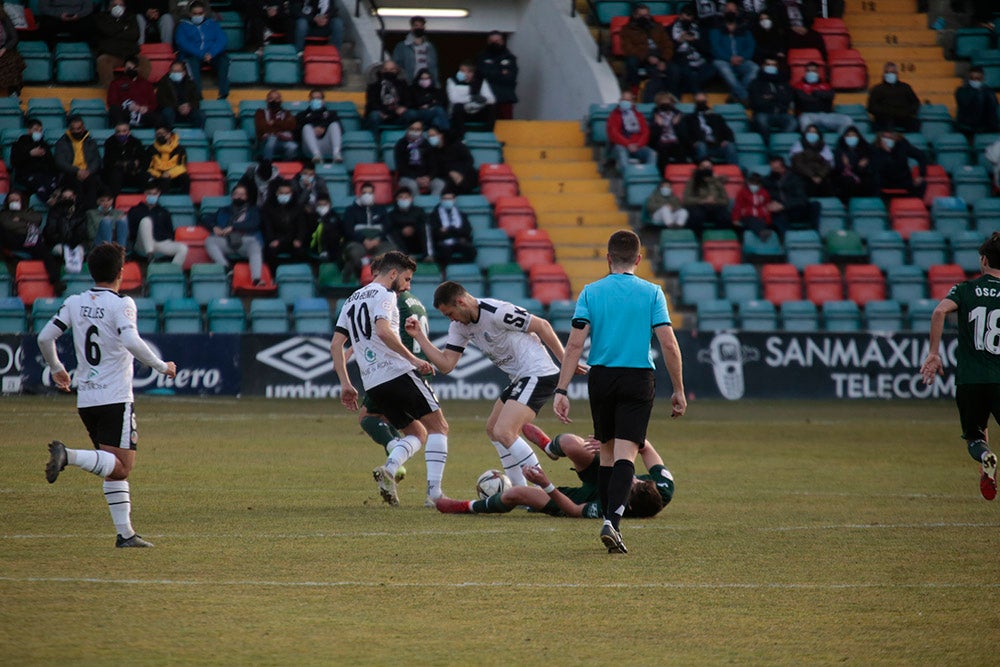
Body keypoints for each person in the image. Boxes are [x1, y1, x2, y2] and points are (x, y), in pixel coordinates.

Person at [552, 229, 686, 554]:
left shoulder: (591, 292)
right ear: (639, 259)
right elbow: (668, 342)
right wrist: (679, 389)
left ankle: (610, 517)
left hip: (602, 378)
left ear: (608, 257)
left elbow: (574, 344)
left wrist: (562, 388)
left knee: (608, 452)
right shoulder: (652, 292)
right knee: (626, 452)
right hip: (638, 378)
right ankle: (612, 521)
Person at [39, 242, 177, 548]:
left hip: (87, 399)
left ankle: (125, 534)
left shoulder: (74, 302)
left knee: (111, 467)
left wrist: (57, 368)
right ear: (121, 273)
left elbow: (45, 336)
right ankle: (68, 456)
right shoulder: (122, 304)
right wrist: (161, 366)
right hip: (115, 398)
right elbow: (131, 339)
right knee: (122, 465)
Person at [405, 281, 578, 487]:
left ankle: (545, 491)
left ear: (461, 302)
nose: (450, 319)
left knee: (504, 431)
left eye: (450, 313)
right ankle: (521, 490)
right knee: (493, 429)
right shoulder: (459, 327)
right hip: (520, 378)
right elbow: (446, 365)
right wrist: (420, 337)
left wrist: (566, 360)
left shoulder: (497, 312)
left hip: (538, 373)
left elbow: (542, 325)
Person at [330, 251, 445, 507]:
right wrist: (413, 360)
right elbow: (383, 331)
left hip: (373, 381)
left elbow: (336, 344)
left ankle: (390, 468)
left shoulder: (351, 299)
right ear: (393, 274)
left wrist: (346, 383)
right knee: (440, 427)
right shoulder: (385, 295)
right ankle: (434, 495)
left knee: (417, 433)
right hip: (397, 372)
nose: (407, 285)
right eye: (406, 279)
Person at [435, 428, 673, 520]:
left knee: (517, 493)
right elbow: (645, 446)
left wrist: (547, 485)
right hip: (603, 472)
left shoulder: (606, 508)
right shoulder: (663, 488)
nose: (630, 477)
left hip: (580, 498)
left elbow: (573, 510)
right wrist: (611, 443)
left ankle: (467, 506)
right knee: (571, 443)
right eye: (636, 477)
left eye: (629, 485)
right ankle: (550, 448)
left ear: (626, 505)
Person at [920, 232, 1000, 501]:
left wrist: (933, 353)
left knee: (975, 436)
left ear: (984, 260)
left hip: (969, 379)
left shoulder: (965, 289)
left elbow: (939, 311)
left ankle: (986, 456)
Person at [204, 184, 265, 285]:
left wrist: (234, 227)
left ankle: (256, 279)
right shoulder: (223, 210)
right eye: (236, 194)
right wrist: (214, 227)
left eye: (242, 194)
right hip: (226, 240)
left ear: (246, 197)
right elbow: (205, 219)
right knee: (209, 240)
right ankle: (227, 268)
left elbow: (254, 224)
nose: (239, 196)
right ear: (232, 196)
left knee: (255, 245)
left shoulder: (253, 210)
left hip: (245, 241)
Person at [175, 1, 230, 100]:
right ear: (190, 14)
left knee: (224, 60)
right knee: (192, 62)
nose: (197, 16)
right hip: (193, 55)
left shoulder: (212, 23)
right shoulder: (183, 26)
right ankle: (197, 95)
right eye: (194, 14)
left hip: (211, 54)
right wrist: (202, 54)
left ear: (204, 13)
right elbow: (182, 43)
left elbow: (222, 40)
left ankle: (223, 94)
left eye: (200, 13)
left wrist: (211, 53)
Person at [0, 191, 56, 287]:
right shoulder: (4, 214)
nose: (14, 202)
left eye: (16, 200)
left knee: (44, 251)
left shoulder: (29, 211)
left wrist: (20, 218)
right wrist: (26, 223)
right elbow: (8, 225)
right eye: (11, 200)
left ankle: (54, 280)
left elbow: (37, 219)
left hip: (28, 239)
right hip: (12, 239)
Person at [340, 182, 392, 281]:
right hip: (358, 243)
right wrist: (363, 240)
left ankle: (368, 263)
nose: (367, 195)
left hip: (378, 242)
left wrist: (378, 239)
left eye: (370, 193)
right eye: (364, 193)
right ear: (360, 194)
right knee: (354, 252)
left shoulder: (381, 210)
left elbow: (387, 227)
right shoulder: (351, 211)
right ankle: (358, 277)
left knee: (391, 250)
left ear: (373, 194)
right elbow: (348, 230)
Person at [127, 181, 187, 265]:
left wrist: (160, 237)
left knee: (183, 248)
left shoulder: (164, 212)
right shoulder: (135, 210)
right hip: (141, 245)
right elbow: (132, 232)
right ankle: (150, 257)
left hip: (159, 243)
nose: (152, 196)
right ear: (145, 193)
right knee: (146, 221)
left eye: (155, 194)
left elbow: (170, 233)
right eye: (149, 193)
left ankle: (172, 271)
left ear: (159, 194)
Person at [709, 10, 759, 105]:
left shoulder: (744, 32)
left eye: (732, 23)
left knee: (755, 68)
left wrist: (742, 57)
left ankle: (735, 95)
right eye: (728, 23)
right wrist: (730, 58)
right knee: (726, 71)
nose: (730, 26)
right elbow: (715, 49)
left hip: (741, 60)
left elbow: (751, 47)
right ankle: (744, 96)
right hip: (722, 60)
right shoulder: (716, 31)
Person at [53, 116, 103, 210]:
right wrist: (77, 171)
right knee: (76, 184)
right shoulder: (62, 142)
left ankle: (90, 212)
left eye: (78, 129)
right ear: (69, 129)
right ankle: (79, 212)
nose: (76, 131)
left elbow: (96, 161)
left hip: (88, 173)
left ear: (83, 128)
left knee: (93, 183)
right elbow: (59, 162)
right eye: (73, 129)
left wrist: (88, 171)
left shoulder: (91, 142)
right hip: (70, 174)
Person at [95, 0, 148, 87]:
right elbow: (106, 31)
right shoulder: (101, 18)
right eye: (115, 5)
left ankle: (138, 88)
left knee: (144, 61)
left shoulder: (131, 17)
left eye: (121, 5)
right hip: (111, 54)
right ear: (109, 7)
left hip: (131, 54)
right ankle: (111, 90)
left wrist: (130, 60)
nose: (118, 7)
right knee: (102, 61)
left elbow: (135, 34)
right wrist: (124, 29)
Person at [762, 154, 819, 234]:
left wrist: (784, 205)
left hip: (795, 209)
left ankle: (813, 233)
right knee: (774, 214)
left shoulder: (795, 178)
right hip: (780, 212)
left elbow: (802, 199)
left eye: (777, 168)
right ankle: (788, 237)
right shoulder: (767, 181)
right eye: (773, 167)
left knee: (815, 205)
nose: (775, 170)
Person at [620, 4, 673, 89]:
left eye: (646, 15)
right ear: (635, 16)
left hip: (658, 55)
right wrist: (647, 57)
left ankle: (673, 93)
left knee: (674, 68)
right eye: (641, 16)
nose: (645, 18)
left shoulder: (658, 27)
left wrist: (663, 59)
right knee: (631, 61)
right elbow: (628, 48)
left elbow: (667, 44)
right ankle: (635, 88)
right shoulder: (627, 29)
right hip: (641, 56)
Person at [669, 3, 717, 96]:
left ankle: (685, 89)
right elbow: (668, 49)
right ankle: (698, 95)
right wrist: (680, 40)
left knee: (713, 68)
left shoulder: (699, 28)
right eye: (686, 14)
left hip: (699, 58)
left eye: (690, 15)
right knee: (687, 73)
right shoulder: (670, 28)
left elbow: (707, 49)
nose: (688, 18)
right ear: (680, 14)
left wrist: (694, 41)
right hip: (681, 58)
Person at [793, 61, 853, 134]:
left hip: (826, 115)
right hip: (808, 115)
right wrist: (822, 98)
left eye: (814, 71)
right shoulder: (798, 86)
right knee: (804, 120)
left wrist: (815, 93)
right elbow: (804, 101)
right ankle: (809, 143)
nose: (811, 73)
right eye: (808, 71)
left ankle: (841, 142)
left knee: (847, 120)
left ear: (818, 73)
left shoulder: (826, 85)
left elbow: (831, 95)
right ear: (805, 73)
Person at [261, 179, 308, 271]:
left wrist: (299, 239)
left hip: (292, 239)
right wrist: (272, 240)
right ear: (276, 193)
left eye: (287, 193)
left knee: (301, 252)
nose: (284, 195)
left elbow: (302, 226)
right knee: (269, 252)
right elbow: (267, 227)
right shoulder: (268, 207)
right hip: (275, 239)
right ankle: (274, 276)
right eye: (281, 193)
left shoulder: (297, 207)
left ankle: (295, 274)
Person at [679, 93, 739, 164]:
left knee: (730, 146)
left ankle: (733, 171)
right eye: (699, 102)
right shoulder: (689, 118)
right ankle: (704, 170)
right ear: (695, 103)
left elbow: (728, 132)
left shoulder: (716, 117)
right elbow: (684, 134)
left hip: (716, 146)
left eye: (703, 101)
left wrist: (726, 140)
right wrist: (692, 143)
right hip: (699, 146)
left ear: (707, 102)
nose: (701, 104)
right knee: (701, 145)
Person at [747, 56, 797, 140]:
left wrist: (770, 97)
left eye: (773, 65)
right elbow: (757, 102)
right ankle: (768, 144)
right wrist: (777, 98)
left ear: (777, 67)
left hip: (782, 113)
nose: (771, 67)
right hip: (763, 113)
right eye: (768, 64)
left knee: (793, 122)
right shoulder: (755, 83)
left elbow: (788, 99)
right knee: (761, 121)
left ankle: (778, 142)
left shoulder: (783, 83)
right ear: (763, 66)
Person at [44, 188, 89, 280]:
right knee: (60, 251)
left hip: (76, 243)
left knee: (80, 251)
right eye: (65, 197)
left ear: (74, 197)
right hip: (58, 243)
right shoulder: (54, 211)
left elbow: (82, 231)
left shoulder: (80, 212)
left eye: (70, 197)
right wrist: (64, 241)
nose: (67, 199)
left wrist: (73, 241)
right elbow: (50, 232)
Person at [427, 190, 476, 273]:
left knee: (470, 249)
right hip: (442, 243)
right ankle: (445, 274)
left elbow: (467, 231)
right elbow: (436, 234)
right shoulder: (434, 215)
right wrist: (456, 232)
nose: (447, 201)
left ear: (454, 200)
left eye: (449, 199)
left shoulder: (461, 214)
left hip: (458, 242)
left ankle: (465, 273)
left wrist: (448, 230)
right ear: (441, 200)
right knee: (444, 251)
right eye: (445, 199)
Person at [10, 119, 59, 202]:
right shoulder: (19, 144)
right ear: (29, 130)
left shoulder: (44, 145)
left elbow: (52, 163)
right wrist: (30, 154)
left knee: (53, 181)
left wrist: (45, 155)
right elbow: (14, 161)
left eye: (40, 130)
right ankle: (49, 200)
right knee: (38, 181)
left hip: (44, 173)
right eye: (36, 130)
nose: (38, 132)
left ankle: (57, 199)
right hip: (26, 174)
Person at [446, 60, 497, 137]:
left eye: (469, 72)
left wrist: (484, 99)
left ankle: (489, 135)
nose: (465, 74)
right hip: (461, 113)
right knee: (457, 107)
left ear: (473, 73)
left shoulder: (481, 81)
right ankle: (462, 137)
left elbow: (492, 99)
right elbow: (453, 99)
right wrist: (471, 98)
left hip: (476, 112)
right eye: (462, 71)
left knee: (491, 108)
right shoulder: (452, 81)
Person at [606, 90, 656, 169]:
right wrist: (628, 144)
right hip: (621, 145)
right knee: (621, 151)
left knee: (652, 153)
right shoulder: (614, 115)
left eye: (628, 100)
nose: (625, 102)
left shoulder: (638, 115)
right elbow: (613, 133)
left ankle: (648, 175)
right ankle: (627, 176)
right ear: (620, 101)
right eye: (623, 100)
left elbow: (645, 132)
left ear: (632, 102)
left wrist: (638, 144)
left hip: (637, 145)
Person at [870, 130, 927, 199]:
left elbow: (921, 156)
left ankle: (912, 205)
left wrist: (921, 175)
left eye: (890, 137)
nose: (888, 140)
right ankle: (878, 206)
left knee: (921, 184)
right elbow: (877, 166)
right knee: (873, 182)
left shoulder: (902, 144)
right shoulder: (875, 147)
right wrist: (886, 152)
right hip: (884, 181)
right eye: (885, 137)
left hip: (902, 180)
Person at [107, 58, 161, 129]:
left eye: (133, 68)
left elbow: (153, 103)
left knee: (158, 117)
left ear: (138, 69)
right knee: (114, 110)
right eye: (128, 68)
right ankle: (122, 130)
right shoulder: (116, 83)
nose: (130, 70)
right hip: (125, 113)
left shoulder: (146, 84)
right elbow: (112, 101)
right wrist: (127, 105)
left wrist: (146, 108)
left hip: (143, 114)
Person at [867, 62, 921, 133]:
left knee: (915, 123)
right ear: (884, 74)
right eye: (887, 72)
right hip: (884, 119)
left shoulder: (905, 87)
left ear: (897, 73)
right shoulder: (877, 89)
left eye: (892, 72)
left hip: (903, 117)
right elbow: (871, 107)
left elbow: (915, 103)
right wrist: (886, 112)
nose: (890, 74)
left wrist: (905, 112)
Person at [363, 60, 414, 135]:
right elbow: (371, 103)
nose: (388, 72)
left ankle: (406, 139)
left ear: (397, 71)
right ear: (382, 70)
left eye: (392, 69)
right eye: (386, 69)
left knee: (410, 114)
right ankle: (375, 141)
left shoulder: (403, 85)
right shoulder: (373, 86)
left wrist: (404, 108)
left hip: (397, 115)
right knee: (374, 115)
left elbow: (409, 100)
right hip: (381, 114)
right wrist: (384, 112)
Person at [476, 31, 518, 120]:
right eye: (492, 41)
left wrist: (491, 73)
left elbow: (510, 77)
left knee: (507, 125)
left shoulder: (510, 57)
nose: (495, 43)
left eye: (498, 41)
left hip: (505, 97)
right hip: (487, 98)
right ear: (488, 42)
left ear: (503, 41)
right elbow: (481, 74)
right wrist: (501, 73)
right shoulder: (482, 57)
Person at [683, 159, 731, 235]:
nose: (706, 169)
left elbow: (725, 200)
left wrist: (715, 201)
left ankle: (718, 238)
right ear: (699, 168)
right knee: (696, 216)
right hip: (699, 207)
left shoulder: (717, 182)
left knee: (725, 216)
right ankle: (697, 239)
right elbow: (686, 200)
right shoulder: (692, 181)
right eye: (703, 167)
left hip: (715, 206)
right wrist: (702, 201)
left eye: (708, 167)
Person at [296, 88, 343, 164]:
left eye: (318, 98)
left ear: (323, 101)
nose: (316, 100)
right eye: (313, 98)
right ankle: (316, 155)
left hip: (327, 145)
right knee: (306, 127)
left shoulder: (332, 114)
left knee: (334, 125)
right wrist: (314, 129)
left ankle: (337, 154)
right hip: (309, 147)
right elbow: (296, 132)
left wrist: (324, 128)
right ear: (309, 101)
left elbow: (341, 130)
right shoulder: (301, 115)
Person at [156, 60, 206, 129]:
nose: (175, 73)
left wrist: (189, 106)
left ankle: (198, 136)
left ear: (184, 72)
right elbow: (161, 100)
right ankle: (169, 135)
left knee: (201, 115)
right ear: (170, 72)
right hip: (173, 111)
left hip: (188, 111)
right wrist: (177, 107)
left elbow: (197, 98)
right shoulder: (163, 82)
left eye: (178, 71)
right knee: (167, 112)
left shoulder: (191, 83)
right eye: (173, 71)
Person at [427, 126, 477, 195]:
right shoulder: (431, 151)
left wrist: (459, 172)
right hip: (445, 177)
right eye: (429, 136)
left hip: (464, 174)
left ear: (441, 135)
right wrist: (450, 172)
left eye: (433, 135)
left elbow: (469, 160)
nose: (431, 138)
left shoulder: (456, 145)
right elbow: (435, 169)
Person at [832, 126, 876, 202]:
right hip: (845, 179)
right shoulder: (839, 151)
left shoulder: (866, 150)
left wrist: (859, 166)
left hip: (862, 177)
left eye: (853, 135)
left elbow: (868, 167)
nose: (851, 138)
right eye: (848, 135)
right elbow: (838, 168)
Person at [103, 122, 149, 195]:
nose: (121, 134)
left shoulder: (136, 142)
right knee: (114, 175)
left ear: (129, 132)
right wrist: (125, 164)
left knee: (145, 175)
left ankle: (141, 198)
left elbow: (143, 160)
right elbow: (108, 162)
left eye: (124, 131)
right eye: (118, 132)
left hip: (133, 173)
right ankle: (116, 200)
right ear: (115, 133)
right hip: (117, 174)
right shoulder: (109, 142)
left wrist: (135, 166)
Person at [391, 15, 439, 85]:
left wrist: (436, 84)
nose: (419, 28)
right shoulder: (402, 46)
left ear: (424, 27)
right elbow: (396, 66)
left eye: (421, 26)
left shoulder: (430, 47)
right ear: (412, 27)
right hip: (409, 84)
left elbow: (434, 68)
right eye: (416, 25)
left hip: (427, 84)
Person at [955, 66, 1000, 139]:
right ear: (968, 79)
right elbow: (964, 103)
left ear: (982, 79)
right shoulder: (961, 91)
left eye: (978, 79)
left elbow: (992, 114)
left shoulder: (989, 93)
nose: (975, 81)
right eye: (972, 78)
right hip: (966, 130)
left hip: (985, 131)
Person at [789, 124, 833, 197]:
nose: (812, 134)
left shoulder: (824, 147)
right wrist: (812, 175)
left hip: (821, 176)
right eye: (809, 132)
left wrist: (820, 175)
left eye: (814, 132)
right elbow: (798, 164)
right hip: (804, 176)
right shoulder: (798, 146)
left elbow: (828, 164)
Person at [385, 186, 429, 260]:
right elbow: (388, 229)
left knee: (425, 226)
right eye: (401, 197)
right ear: (396, 199)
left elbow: (425, 223)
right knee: (390, 231)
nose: (403, 199)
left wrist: (413, 229)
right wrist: (402, 231)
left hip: (418, 242)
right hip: (402, 244)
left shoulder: (419, 211)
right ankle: (405, 255)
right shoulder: (392, 214)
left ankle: (428, 255)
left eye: (406, 197)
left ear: (411, 199)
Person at [648, 92, 688, 171]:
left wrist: (676, 125)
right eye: (662, 101)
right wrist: (658, 126)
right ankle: (665, 178)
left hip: (676, 141)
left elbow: (684, 134)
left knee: (681, 151)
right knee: (662, 152)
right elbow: (652, 138)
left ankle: (681, 174)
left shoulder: (678, 115)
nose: (665, 103)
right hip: (661, 142)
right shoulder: (655, 115)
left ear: (672, 102)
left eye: (667, 101)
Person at [255, 90, 299, 161]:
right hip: (265, 142)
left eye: (277, 98)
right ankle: (267, 165)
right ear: (267, 100)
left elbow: (292, 125)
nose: (274, 101)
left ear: (281, 100)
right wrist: (280, 128)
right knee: (272, 138)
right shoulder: (261, 112)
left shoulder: (286, 113)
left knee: (293, 146)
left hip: (282, 141)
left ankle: (286, 166)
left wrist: (274, 123)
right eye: (271, 98)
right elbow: (262, 127)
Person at [395, 120, 435, 196]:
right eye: (412, 129)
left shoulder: (426, 144)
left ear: (422, 131)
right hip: (407, 177)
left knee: (439, 184)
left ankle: (432, 205)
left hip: (426, 178)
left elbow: (433, 164)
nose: (414, 131)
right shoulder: (401, 144)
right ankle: (417, 206)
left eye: (418, 129)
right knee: (412, 185)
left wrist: (429, 177)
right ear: (407, 129)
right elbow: (401, 167)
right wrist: (416, 178)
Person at [147, 123, 190, 194]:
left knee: (185, 177)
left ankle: (184, 198)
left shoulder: (179, 149)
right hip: (158, 177)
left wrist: (169, 173)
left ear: (169, 134)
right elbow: (149, 167)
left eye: (163, 133)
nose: (160, 136)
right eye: (158, 134)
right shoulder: (151, 149)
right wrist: (160, 175)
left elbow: (182, 166)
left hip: (174, 176)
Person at [731, 172, 774, 239]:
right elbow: (738, 206)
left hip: (761, 216)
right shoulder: (743, 193)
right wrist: (735, 219)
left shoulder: (764, 193)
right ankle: (761, 232)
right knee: (751, 220)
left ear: (760, 185)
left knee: (761, 221)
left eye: (756, 184)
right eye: (752, 183)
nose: (753, 186)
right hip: (747, 216)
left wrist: (768, 219)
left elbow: (767, 206)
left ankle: (762, 231)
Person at [0, 11, 24, 98]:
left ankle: (13, 94)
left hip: (3, 50)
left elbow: (14, 38)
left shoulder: (4, 18)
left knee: (13, 61)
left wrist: (4, 49)